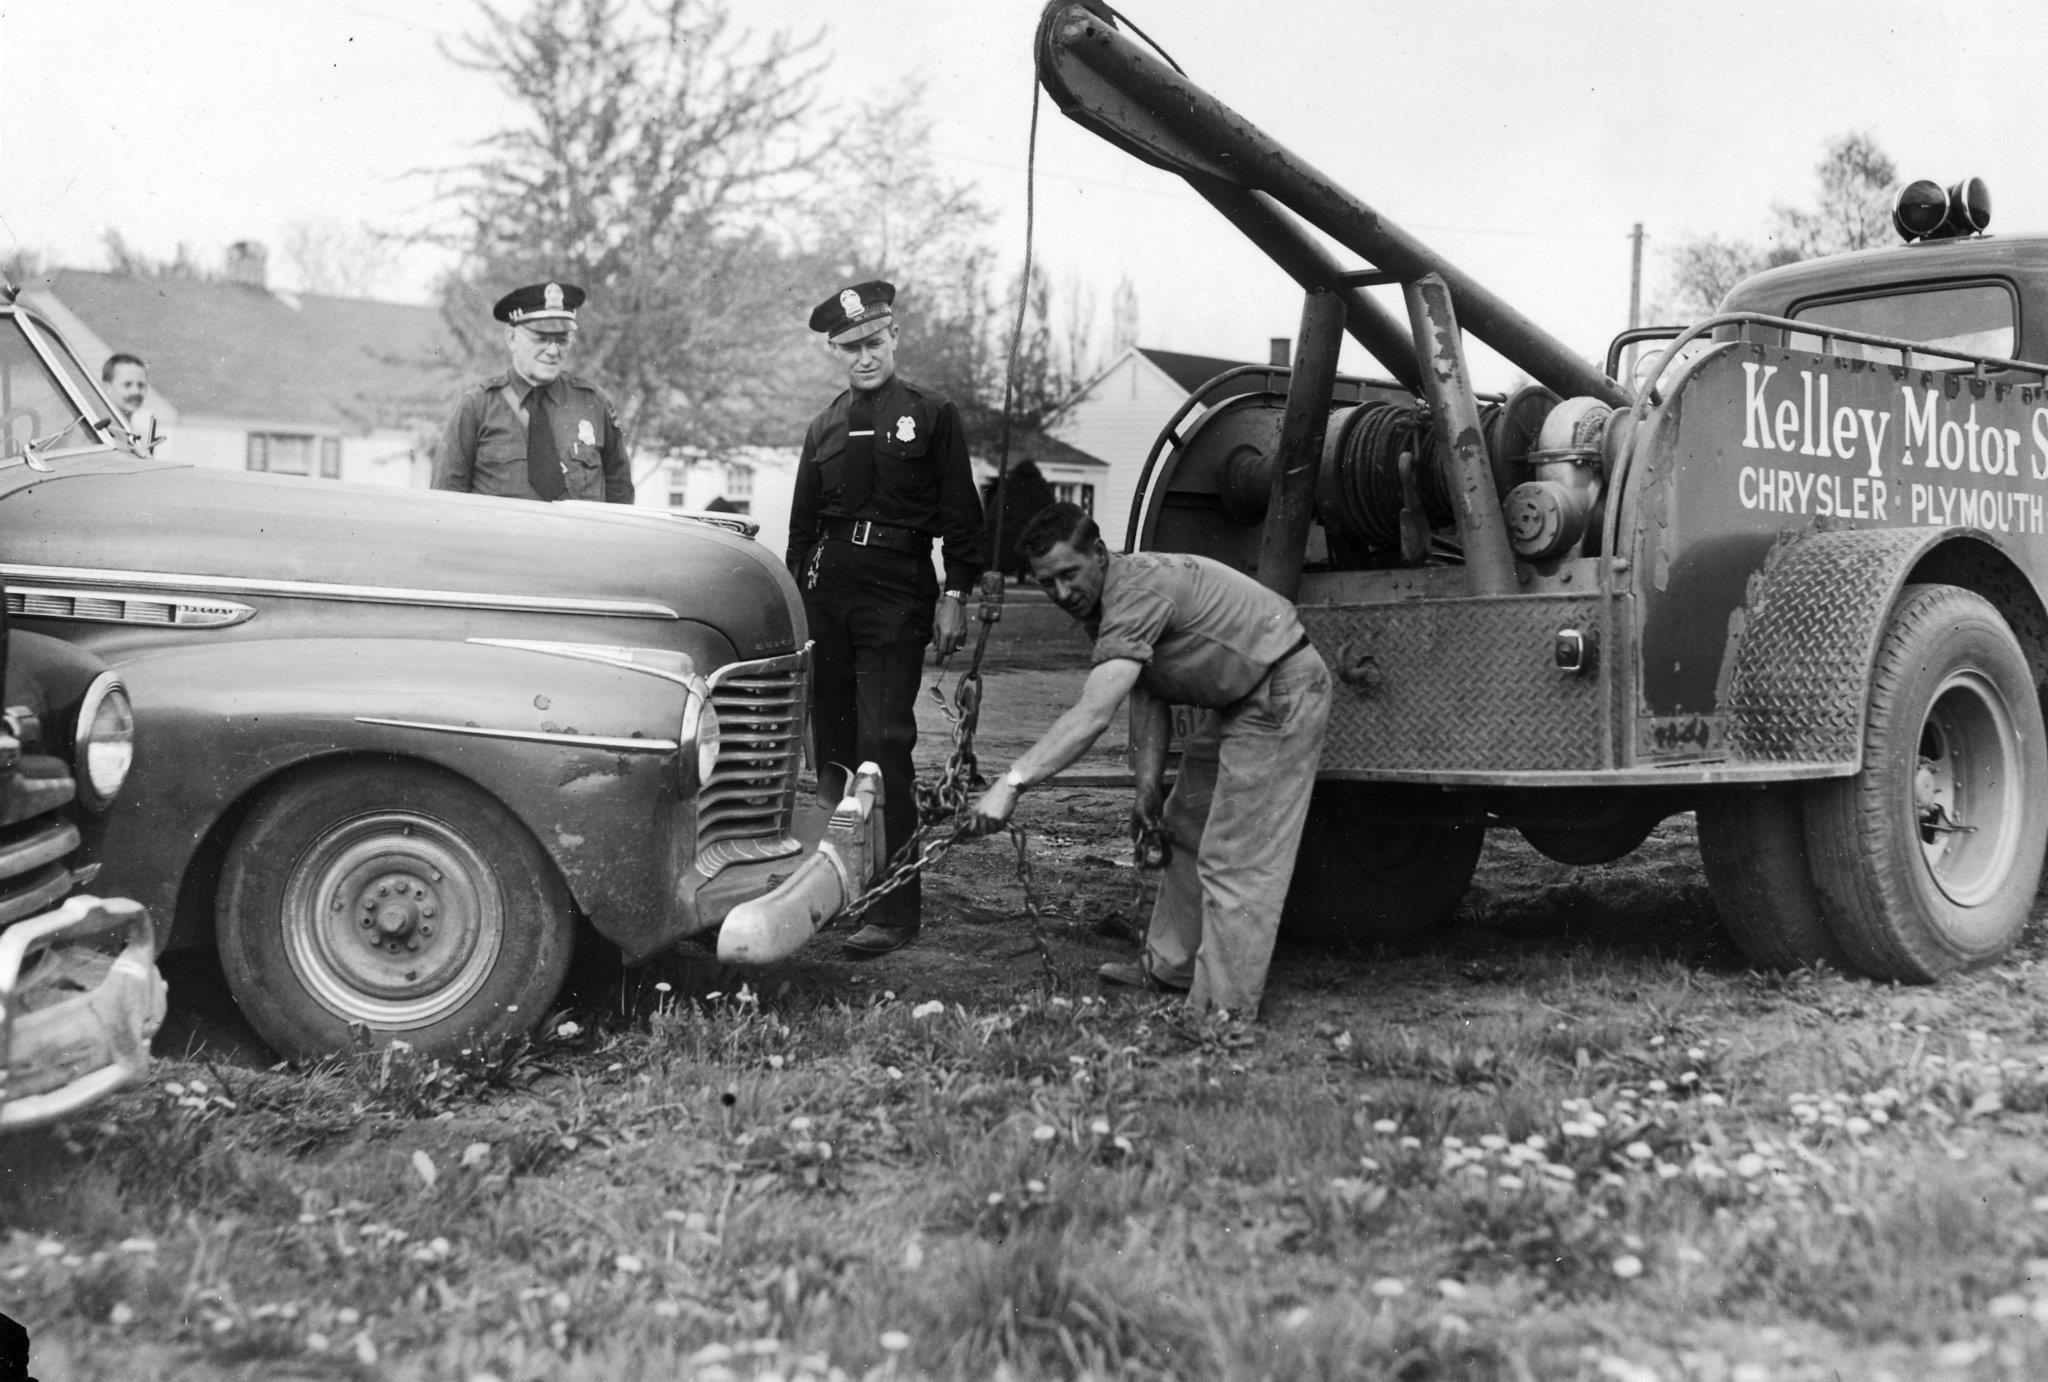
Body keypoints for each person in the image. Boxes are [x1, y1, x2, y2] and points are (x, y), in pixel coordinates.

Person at [968, 503, 1332, 1019]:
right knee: (1181, 826)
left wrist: (1013, 780)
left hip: (1280, 690)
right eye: (1048, 583)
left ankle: (1221, 1016)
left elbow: (1095, 713)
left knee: (1235, 857)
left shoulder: (1136, 592)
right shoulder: (1102, 603)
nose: (1063, 594)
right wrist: (1145, 789)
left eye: (1070, 575)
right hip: (1240, 697)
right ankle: (1169, 969)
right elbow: (1148, 692)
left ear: (1099, 553)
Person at [787, 280, 984, 957]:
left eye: (873, 342)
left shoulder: (932, 415)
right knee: (832, 749)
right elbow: (800, 530)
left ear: (894, 336)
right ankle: (832, 889)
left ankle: (896, 909)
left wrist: (956, 593)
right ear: (835, 351)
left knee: (884, 741)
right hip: (827, 589)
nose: (864, 357)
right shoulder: (826, 424)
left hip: (897, 591)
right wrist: (797, 607)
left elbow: (962, 515)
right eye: (850, 348)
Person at [433, 282, 633, 503]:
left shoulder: (593, 403)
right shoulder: (478, 407)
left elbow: (620, 496)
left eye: (562, 340)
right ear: (511, 339)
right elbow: (445, 501)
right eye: (541, 338)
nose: (552, 351)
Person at [101, 352, 163, 455]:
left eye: (141, 385)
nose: (136, 392)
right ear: (107, 388)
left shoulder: (142, 436)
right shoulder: (97, 434)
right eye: (127, 384)